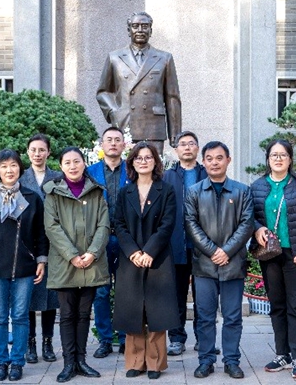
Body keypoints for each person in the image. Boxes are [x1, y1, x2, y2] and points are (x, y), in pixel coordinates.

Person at [0, 149, 47, 382]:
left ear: (20, 168)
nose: (9, 170)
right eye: (4, 166)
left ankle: (17, 362)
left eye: (13, 165)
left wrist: (41, 259)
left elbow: (40, 233)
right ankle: (1, 361)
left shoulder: (32, 198)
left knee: (21, 316)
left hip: (25, 266)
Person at [250, 139, 296, 379]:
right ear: (268, 159)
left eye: (283, 155)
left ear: (290, 159)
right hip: (270, 254)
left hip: (295, 254)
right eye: (274, 155)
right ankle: (283, 354)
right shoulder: (257, 186)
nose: (278, 159)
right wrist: (257, 228)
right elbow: (249, 217)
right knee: (277, 305)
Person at [185, 141, 254, 380]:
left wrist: (226, 251)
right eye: (210, 158)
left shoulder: (242, 191)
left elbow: (247, 224)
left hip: (233, 264)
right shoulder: (194, 191)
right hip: (204, 264)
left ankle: (231, 360)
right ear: (203, 162)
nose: (214, 162)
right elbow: (191, 224)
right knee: (205, 316)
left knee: (232, 316)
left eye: (219, 158)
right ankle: (206, 360)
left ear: (228, 160)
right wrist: (213, 251)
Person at [43, 147, 110, 383]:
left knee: (83, 314)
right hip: (65, 263)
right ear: (61, 166)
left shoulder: (96, 192)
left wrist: (92, 253)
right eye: (67, 162)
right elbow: (52, 227)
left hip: (92, 263)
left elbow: (104, 225)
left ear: (84, 163)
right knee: (67, 314)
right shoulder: (53, 193)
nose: (73, 166)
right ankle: (68, 363)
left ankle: (81, 361)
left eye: (77, 161)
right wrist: (72, 255)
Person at [113, 142, 178, 380]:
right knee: (133, 311)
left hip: (157, 258)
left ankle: (154, 363)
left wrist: (149, 251)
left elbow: (167, 224)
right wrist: (133, 252)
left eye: (148, 157)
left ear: (155, 162)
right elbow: (119, 224)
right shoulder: (125, 192)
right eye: (138, 158)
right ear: (132, 163)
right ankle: (135, 362)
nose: (143, 161)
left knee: (156, 312)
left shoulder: (166, 190)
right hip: (130, 259)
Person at [97, 11, 181, 154]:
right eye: (135, 26)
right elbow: (103, 92)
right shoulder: (115, 58)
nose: (140, 30)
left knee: (153, 166)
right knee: (126, 166)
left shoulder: (164, 58)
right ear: (129, 30)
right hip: (125, 123)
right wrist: (114, 112)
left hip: (153, 127)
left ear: (151, 30)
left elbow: (172, 97)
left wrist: (175, 133)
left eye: (145, 26)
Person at [163, 130, 214, 356]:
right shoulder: (167, 176)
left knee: (204, 296)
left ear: (197, 149)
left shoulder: (207, 174)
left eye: (191, 143)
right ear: (176, 150)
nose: (186, 147)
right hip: (176, 244)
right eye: (182, 144)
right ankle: (176, 338)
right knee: (176, 295)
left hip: (203, 245)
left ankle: (204, 339)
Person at [87, 127, 129, 358]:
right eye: (108, 140)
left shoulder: (132, 171)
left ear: (124, 145)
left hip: (125, 239)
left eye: (117, 140)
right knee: (101, 292)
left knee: (124, 290)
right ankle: (104, 339)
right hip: (99, 239)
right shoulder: (90, 172)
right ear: (102, 145)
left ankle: (124, 338)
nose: (113, 143)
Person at [19, 133, 61, 364]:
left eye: (41, 150)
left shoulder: (58, 177)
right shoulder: (20, 177)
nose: (37, 154)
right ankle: (30, 343)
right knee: (27, 294)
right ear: (28, 152)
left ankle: (47, 342)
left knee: (50, 296)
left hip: (53, 243)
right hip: (27, 243)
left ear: (48, 152)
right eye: (33, 150)